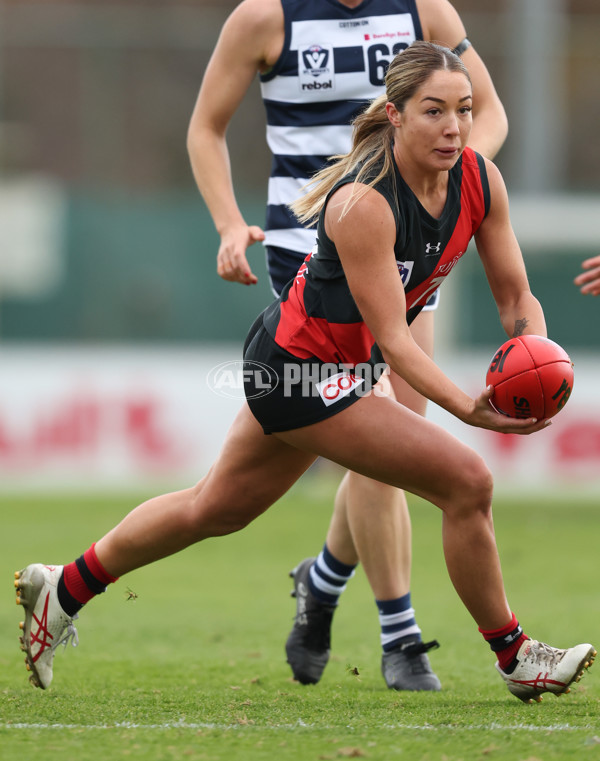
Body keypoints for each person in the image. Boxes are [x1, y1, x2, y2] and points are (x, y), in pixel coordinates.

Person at [16, 42, 595, 704]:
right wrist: (471, 408)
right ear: (396, 115)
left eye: (463, 110)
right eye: (433, 111)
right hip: (296, 372)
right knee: (467, 481)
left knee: (216, 506)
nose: (454, 126)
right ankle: (517, 655)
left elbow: (517, 299)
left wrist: (538, 355)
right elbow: (397, 346)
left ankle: (62, 588)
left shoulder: (480, 181)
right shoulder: (362, 204)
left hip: (326, 366)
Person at [187, 0, 508, 691]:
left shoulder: (424, 9)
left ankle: (324, 579)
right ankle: (401, 636)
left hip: (409, 246)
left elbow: (491, 115)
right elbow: (205, 130)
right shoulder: (265, 18)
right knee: (376, 431)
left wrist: (451, 187)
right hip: (310, 253)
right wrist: (226, 223)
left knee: (390, 441)